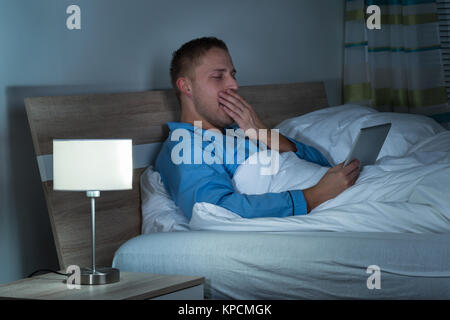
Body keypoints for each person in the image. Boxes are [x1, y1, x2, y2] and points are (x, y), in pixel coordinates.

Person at [155, 37, 360, 220]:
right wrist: (312, 197)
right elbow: (215, 210)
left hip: (348, 187)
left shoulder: (241, 131)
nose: (234, 84)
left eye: (233, 75)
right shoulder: (184, 146)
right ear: (186, 87)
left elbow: (323, 163)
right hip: (335, 203)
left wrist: (263, 132)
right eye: (219, 76)